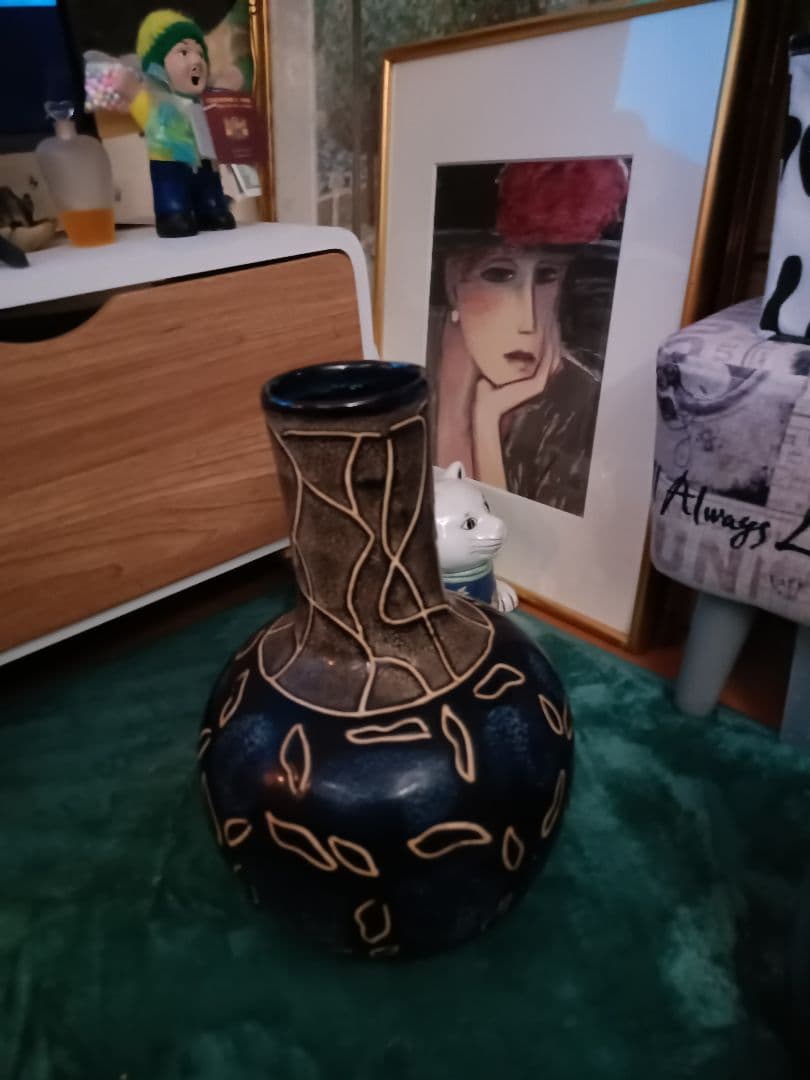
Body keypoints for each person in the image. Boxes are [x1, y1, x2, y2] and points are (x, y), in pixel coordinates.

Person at [429, 158, 629, 516]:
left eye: (547, 275)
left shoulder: (581, 406)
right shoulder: (413, 362)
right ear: (452, 282)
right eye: (499, 275)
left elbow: (510, 541)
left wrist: (485, 423)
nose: (529, 320)